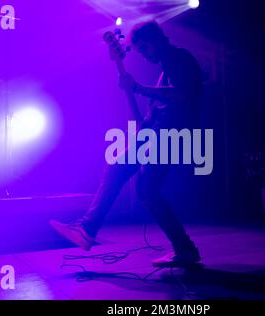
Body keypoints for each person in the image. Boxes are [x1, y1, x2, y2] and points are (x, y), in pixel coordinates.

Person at [50, 21, 203, 267]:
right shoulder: (167, 67)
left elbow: (182, 95)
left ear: (155, 41)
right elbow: (163, 106)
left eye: (144, 49)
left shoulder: (180, 60)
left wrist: (139, 88)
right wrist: (145, 117)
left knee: (146, 188)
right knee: (118, 168)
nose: (143, 55)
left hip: (176, 136)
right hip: (159, 133)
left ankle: (185, 249)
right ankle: (87, 229)